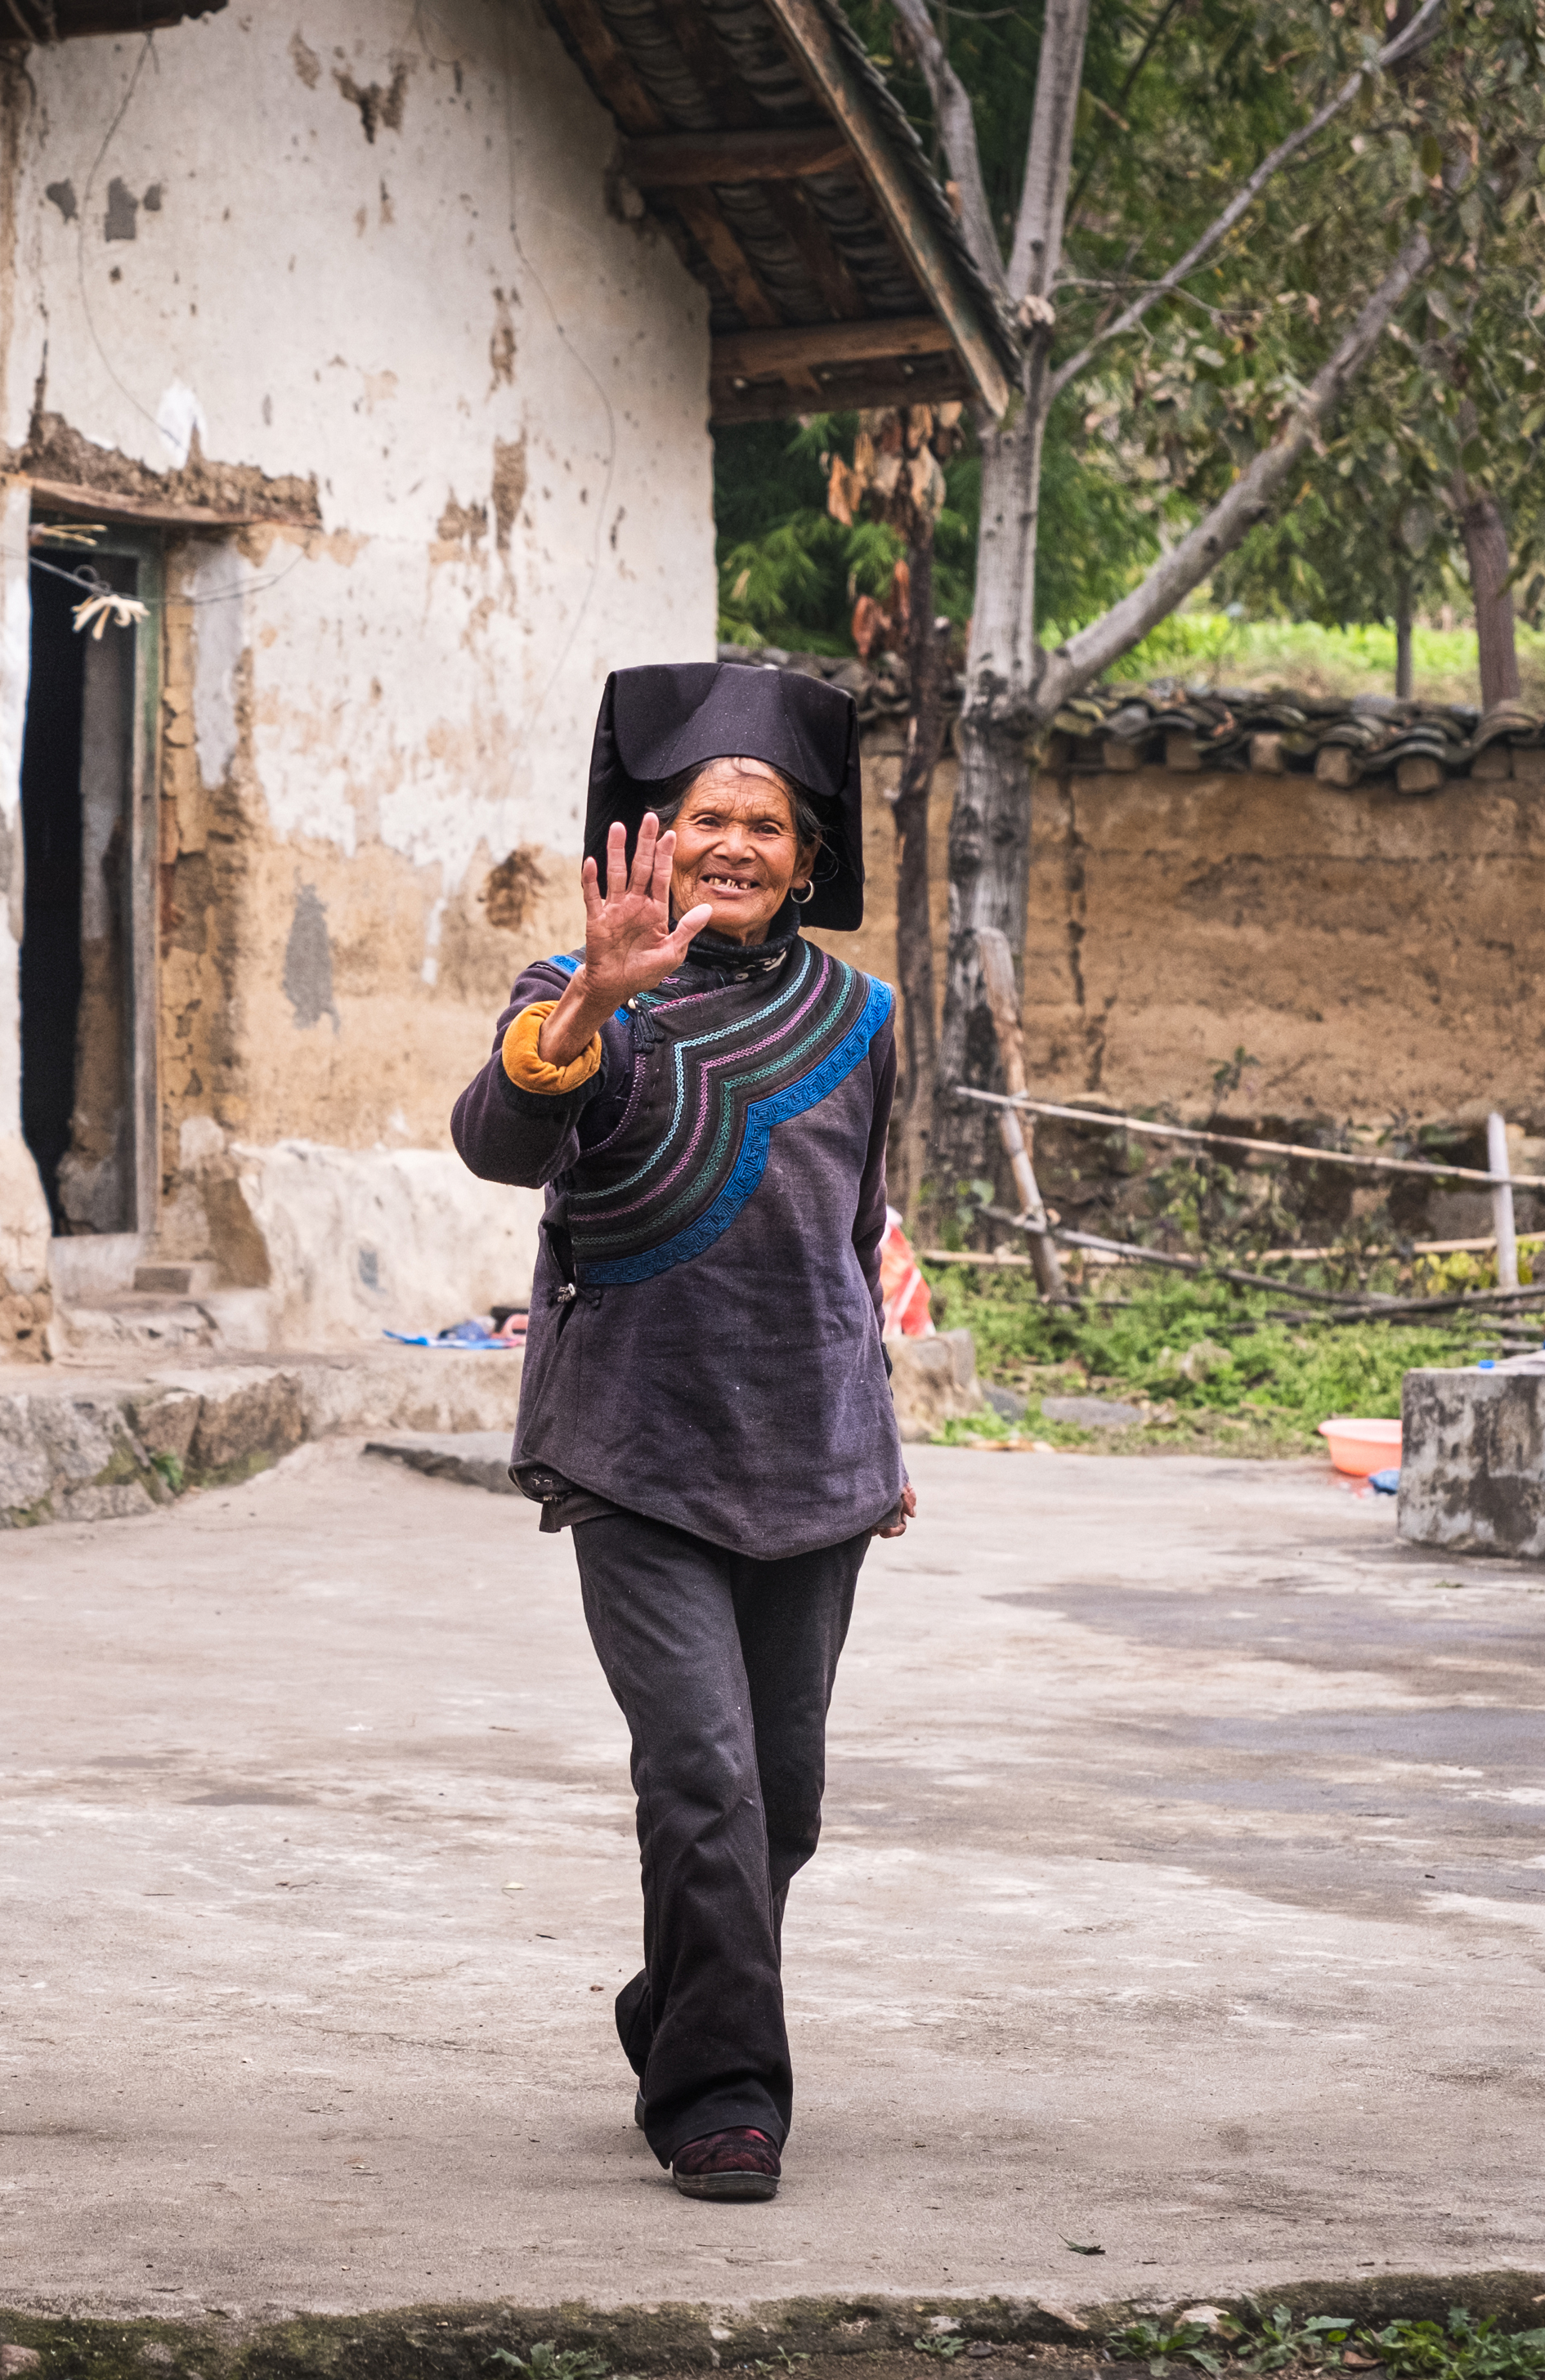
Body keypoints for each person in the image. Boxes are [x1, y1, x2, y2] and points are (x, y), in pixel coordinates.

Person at [449, 660, 917, 2203]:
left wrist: (882, 1442)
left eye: (767, 824)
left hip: (815, 1462)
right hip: (637, 1452)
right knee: (702, 1776)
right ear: (652, 833)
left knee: (781, 1803)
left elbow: (854, 1239)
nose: (736, 843)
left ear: (807, 855)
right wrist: (593, 994)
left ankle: (673, 2002)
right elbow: (497, 1147)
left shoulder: (863, 1015)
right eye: (708, 814)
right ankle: (722, 2097)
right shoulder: (578, 992)